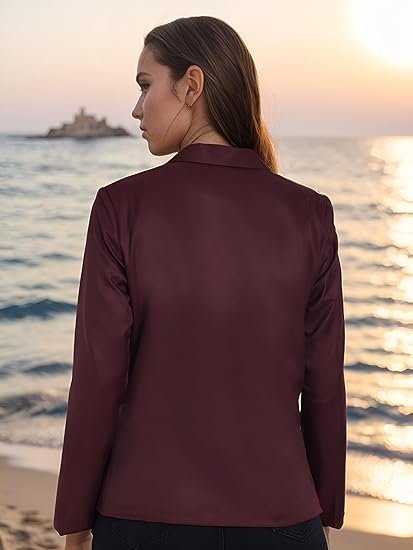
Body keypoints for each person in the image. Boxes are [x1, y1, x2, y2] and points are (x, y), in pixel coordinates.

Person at [53, 15, 346, 550]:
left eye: (146, 85)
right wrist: (323, 506)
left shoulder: (120, 208)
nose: (137, 108)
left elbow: (98, 379)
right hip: (285, 520)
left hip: (141, 518)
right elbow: (324, 382)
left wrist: (75, 519)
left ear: (192, 85)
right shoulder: (311, 214)